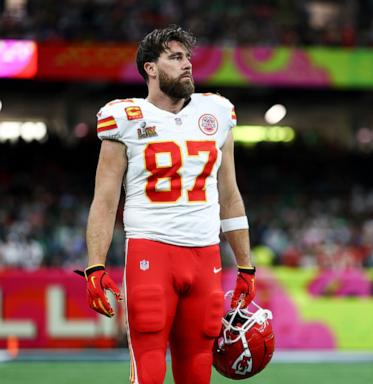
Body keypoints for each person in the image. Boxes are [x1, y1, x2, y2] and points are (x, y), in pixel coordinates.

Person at [78, 25, 256, 384]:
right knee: (149, 368)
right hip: (151, 252)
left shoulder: (217, 112)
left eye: (188, 57)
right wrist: (95, 264)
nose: (187, 64)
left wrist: (246, 266)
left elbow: (230, 194)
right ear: (151, 68)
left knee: (197, 369)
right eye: (175, 57)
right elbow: (105, 199)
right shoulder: (125, 117)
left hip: (205, 255)